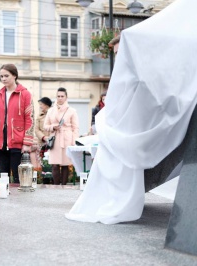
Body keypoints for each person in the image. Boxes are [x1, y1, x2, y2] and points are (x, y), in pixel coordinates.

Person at [66, 0, 197, 224]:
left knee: (122, 157)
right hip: (130, 124)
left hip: (136, 124)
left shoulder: (146, 68)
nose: (119, 58)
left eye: (119, 52)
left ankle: (118, 196)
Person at [0, 64, 34, 183]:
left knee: (19, 179)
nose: (3, 79)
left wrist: (27, 142)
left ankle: (19, 201)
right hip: (0, 142)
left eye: (6, 76)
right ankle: (4, 201)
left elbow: (30, 118)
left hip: (18, 143)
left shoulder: (25, 94)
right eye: (1, 76)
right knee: (3, 177)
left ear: (14, 76)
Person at [44, 88, 79, 185]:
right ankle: (56, 186)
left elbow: (75, 128)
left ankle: (63, 187)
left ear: (66, 97)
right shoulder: (51, 110)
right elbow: (45, 126)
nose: (60, 98)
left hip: (67, 138)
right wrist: (52, 127)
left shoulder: (72, 111)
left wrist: (74, 142)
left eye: (62, 96)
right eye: (58, 96)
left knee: (65, 164)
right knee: (55, 164)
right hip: (55, 138)